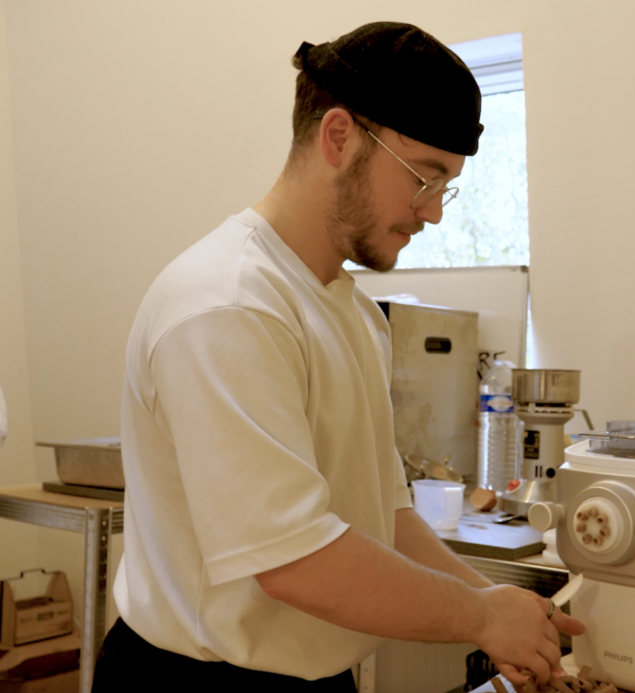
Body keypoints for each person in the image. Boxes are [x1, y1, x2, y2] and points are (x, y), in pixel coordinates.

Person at [92, 21, 583, 693]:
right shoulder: (228, 304)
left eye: (448, 185)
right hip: (199, 677)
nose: (434, 212)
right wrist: (477, 615)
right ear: (339, 136)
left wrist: (505, 606)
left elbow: (385, 514)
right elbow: (295, 560)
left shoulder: (351, 315)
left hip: (317, 675)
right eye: (424, 178)